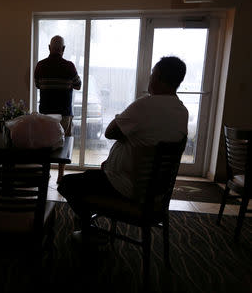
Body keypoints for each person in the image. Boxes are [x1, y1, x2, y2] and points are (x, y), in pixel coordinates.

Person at [57, 56, 189, 221]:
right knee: (90, 177)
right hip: (155, 192)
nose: (149, 78)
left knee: (66, 183)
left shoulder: (145, 105)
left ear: (159, 78)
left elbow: (110, 132)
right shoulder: (182, 112)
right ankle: (89, 219)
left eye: (152, 74)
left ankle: (88, 225)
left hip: (126, 187)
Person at [34, 35, 82, 184]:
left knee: (45, 144)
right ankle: (60, 176)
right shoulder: (69, 66)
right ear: (63, 49)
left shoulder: (40, 66)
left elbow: (37, 85)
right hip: (64, 114)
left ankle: (45, 173)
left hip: (46, 114)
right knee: (63, 145)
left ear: (49, 48)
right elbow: (78, 85)